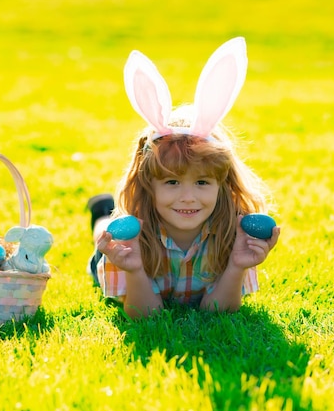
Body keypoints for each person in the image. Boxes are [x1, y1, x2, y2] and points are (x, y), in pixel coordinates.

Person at [86, 37, 280, 318]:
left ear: (221, 186)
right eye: (172, 182)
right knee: (106, 229)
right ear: (148, 185)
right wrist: (135, 269)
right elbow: (144, 316)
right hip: (126, 249)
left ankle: (104, 210)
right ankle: (102, 213)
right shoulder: (129, 242)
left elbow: (218, 312)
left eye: (202, 182)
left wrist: (237, 265)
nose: (188, 196)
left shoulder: (233, 233)